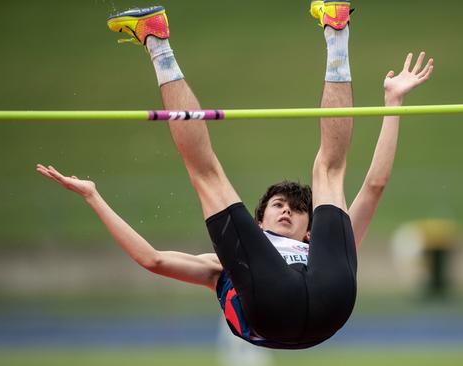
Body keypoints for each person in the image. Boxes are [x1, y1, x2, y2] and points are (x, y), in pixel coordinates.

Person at [36, 1, 433, 349]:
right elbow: (376, 186)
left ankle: (158, 42)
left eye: (296, 210)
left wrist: (93, 197)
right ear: (257, 223)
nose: (287, 212)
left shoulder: (281, 257)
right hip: (322, 308)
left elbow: (152, 260)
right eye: (279, 205)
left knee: (209, 174)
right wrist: (392, 103)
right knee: (328, 170)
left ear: (310, 231)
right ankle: (336, 30)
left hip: (304, 306)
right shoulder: (254, 255)